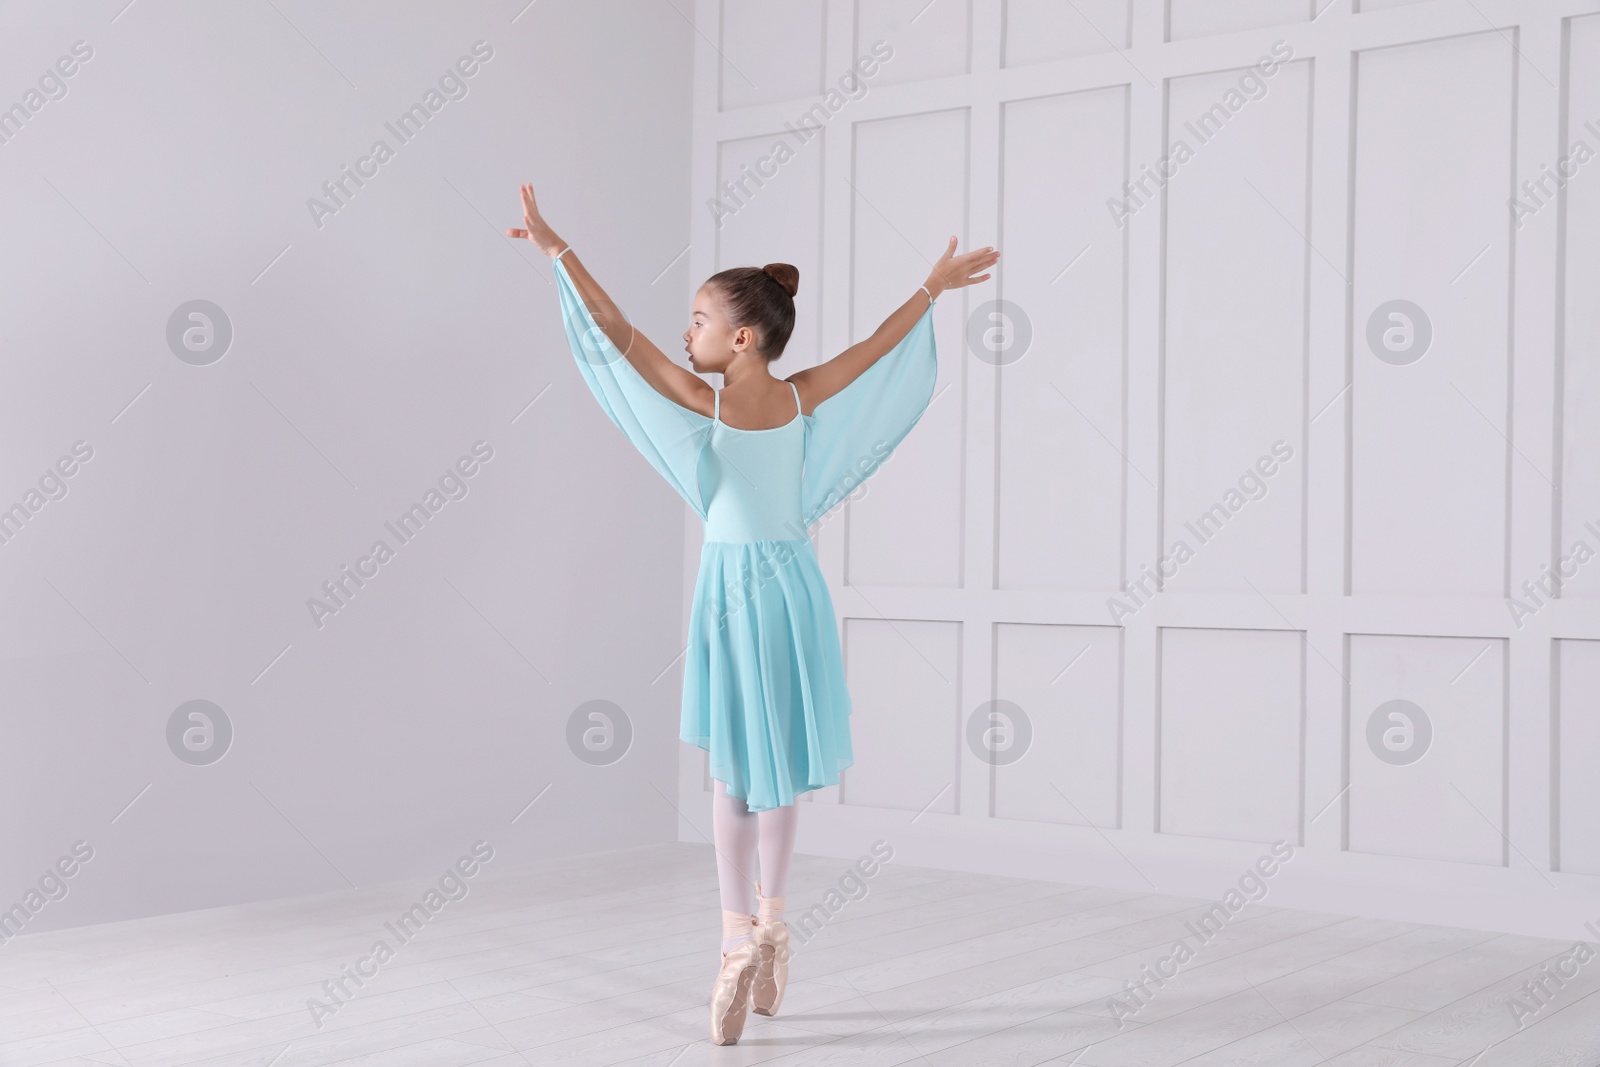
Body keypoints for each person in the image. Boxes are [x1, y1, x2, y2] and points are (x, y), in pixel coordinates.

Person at [507, 182, 997, 1044]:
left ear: (740, 336)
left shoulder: (715, 403)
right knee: (783, 758)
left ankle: (737, 935)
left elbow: (619, 336)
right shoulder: (801, 396)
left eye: (697, 320)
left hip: (732, 593)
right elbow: (878, 351)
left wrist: (561, 253)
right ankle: (774, 922)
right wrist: (930, 289)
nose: (684, 332)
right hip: (795, 587)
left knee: (736, 768)